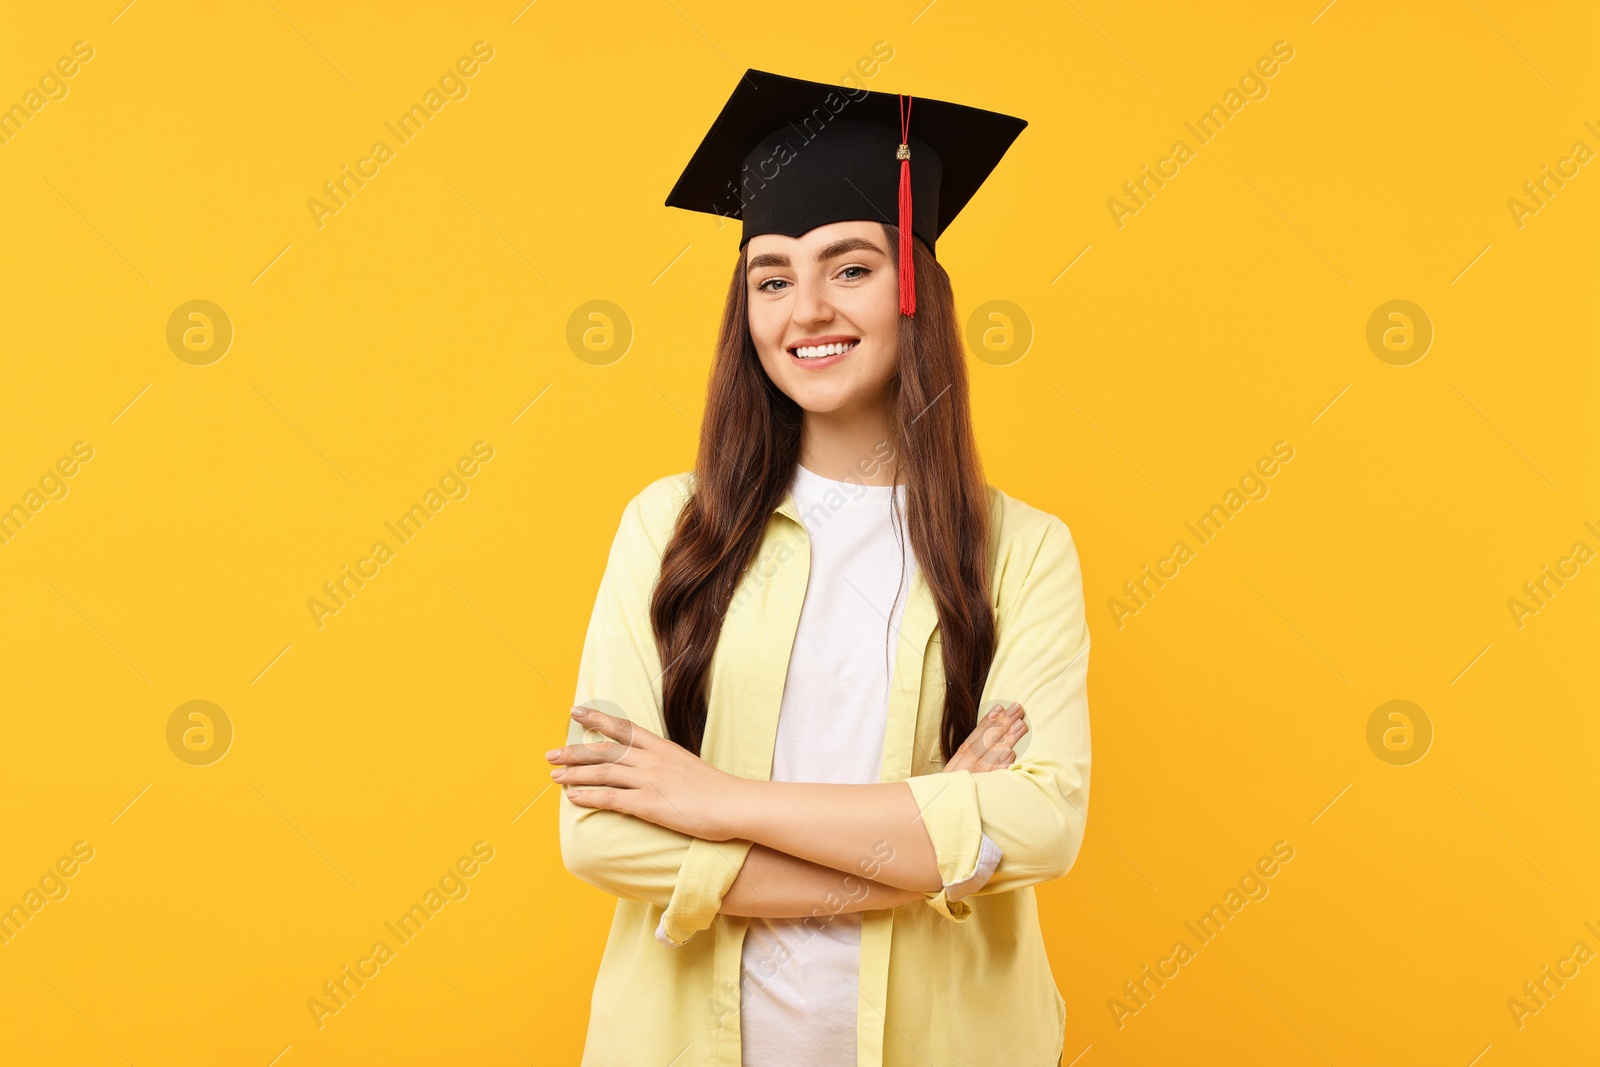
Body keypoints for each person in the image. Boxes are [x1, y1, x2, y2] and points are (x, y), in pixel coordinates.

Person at [549, 69, 1091, 1067]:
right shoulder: (669, 526)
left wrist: (716, 799)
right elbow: (600, 835)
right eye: (769, 277)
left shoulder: (1022, 549)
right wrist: (927, 846)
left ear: (914, 289)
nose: (804, 309)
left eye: (849, 268)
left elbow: (1039, 822)